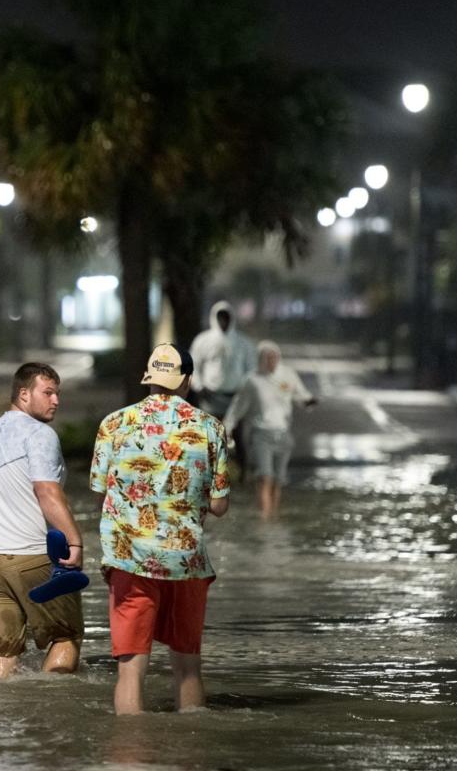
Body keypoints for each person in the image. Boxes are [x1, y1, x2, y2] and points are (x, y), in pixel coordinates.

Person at [90, 344, 230, 714]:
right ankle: (188, 752)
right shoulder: (211, 428)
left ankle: (131, 756)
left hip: (130, 561)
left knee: (130, 672)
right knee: (187, 669)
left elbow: (99, 490)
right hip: (187, 562)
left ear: (150, 377)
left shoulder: (114, 424)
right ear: (186, 379)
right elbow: (218, 506)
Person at [0, 362, 85, 680]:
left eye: (58, 394)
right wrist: (75, 540)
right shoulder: (40, 434)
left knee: (2, 651)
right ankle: (50, 716)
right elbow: (46, 490)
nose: (56, 401)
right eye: (49, 393)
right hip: (33, 556)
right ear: (24, 395)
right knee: (65, 637)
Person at [223, 340, 317, 518]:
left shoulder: (288, 375)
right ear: (261, 359)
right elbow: (238, 406)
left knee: (277, 481)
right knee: (264, 477)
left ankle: (273, 515)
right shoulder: (252, 380)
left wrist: (308, 401)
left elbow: (300, 394)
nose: (272, 361)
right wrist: (227, 426)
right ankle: (264, 519)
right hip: (261, 435)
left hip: (283, 435)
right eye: (268, 358)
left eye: (275, 357)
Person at [189, 302, 256, 464]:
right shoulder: (202, 341)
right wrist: (199, 386)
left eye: (226, 318)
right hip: (210, 396)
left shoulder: (243, 343)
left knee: (236, 434)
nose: (223, 322)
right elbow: (192, 366)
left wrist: (245, 391)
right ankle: (209, 472)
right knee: (210, 436)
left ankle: (241, 472)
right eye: (220, 318)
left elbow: (251, 369)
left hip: (235, 397)